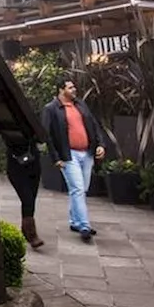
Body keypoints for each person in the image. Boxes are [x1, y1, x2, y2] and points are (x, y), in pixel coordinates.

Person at [40, 77, 105, 242]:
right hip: (69, 156)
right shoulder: (51, 109)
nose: (74, 89)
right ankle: (84, 226)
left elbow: (94, 125)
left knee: (81, 190)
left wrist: (100, 144)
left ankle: (75, 221)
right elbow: (47, 136)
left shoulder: (80, 105)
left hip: (87, 153)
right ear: (61, 90)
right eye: (70, 87)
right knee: (77, 189)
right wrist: (56, 158)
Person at [3, 131, 44, 249]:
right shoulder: (8, 122)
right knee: (28, 199)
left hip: (33, 163)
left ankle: (25, 228)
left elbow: (42, 137)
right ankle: (31, 235)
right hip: (16, 166)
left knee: (31, 199)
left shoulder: (30, 121)